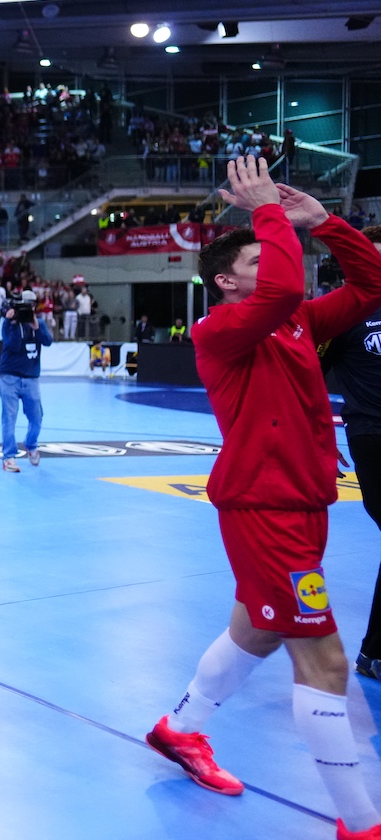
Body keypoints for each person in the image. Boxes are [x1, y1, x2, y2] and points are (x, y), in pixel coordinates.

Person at [145, 158, 381, 840]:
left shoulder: (299, 321)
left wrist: (325, 222)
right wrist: (266, 213)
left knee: (257, 627)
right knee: (325, 660)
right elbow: (278, 290)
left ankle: (179, 730)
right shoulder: (218, 331)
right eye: (258, 255)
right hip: (264, 508)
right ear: (226, 279)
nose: (277, 258)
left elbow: (371, 283)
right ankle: (360, 823)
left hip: (306, 502)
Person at [309, 224, 381, 680]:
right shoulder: (344, 313)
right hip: (372, 434)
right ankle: (372, 652)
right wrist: (319, 436)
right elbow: (307, 374)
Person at [0, 290, 53, 472]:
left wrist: (36, 325)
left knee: (37, 416)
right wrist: (12, 322)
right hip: (10, 377)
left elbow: (48, 341)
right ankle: (8, 456)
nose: (29, 309)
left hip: (31, 378)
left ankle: (31, 443)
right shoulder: (9, 324)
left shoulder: (39, 324)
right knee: (9, 417)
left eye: (31, 306)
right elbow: (13, 345)